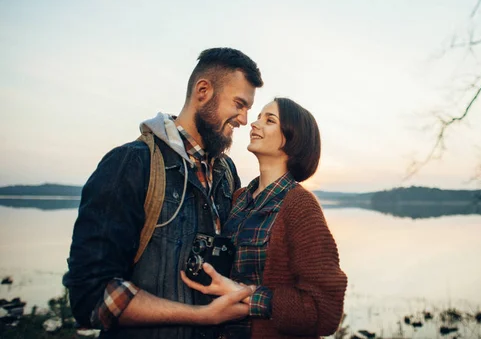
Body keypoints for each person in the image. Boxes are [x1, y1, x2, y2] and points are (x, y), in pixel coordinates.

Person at [63, 48, 264, 339]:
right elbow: (91, 296)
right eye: (239, 104)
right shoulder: (130, 164)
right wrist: (203, 317)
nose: (244, 120)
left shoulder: (226, 172)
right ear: (203, 91)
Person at [181, 97, 348, 339]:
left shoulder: (300, 206)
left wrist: (246, 294)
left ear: (291, 139)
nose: (254, 124)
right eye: (258, 117)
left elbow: (325, 311)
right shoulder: (238, 198)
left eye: (269, 120)